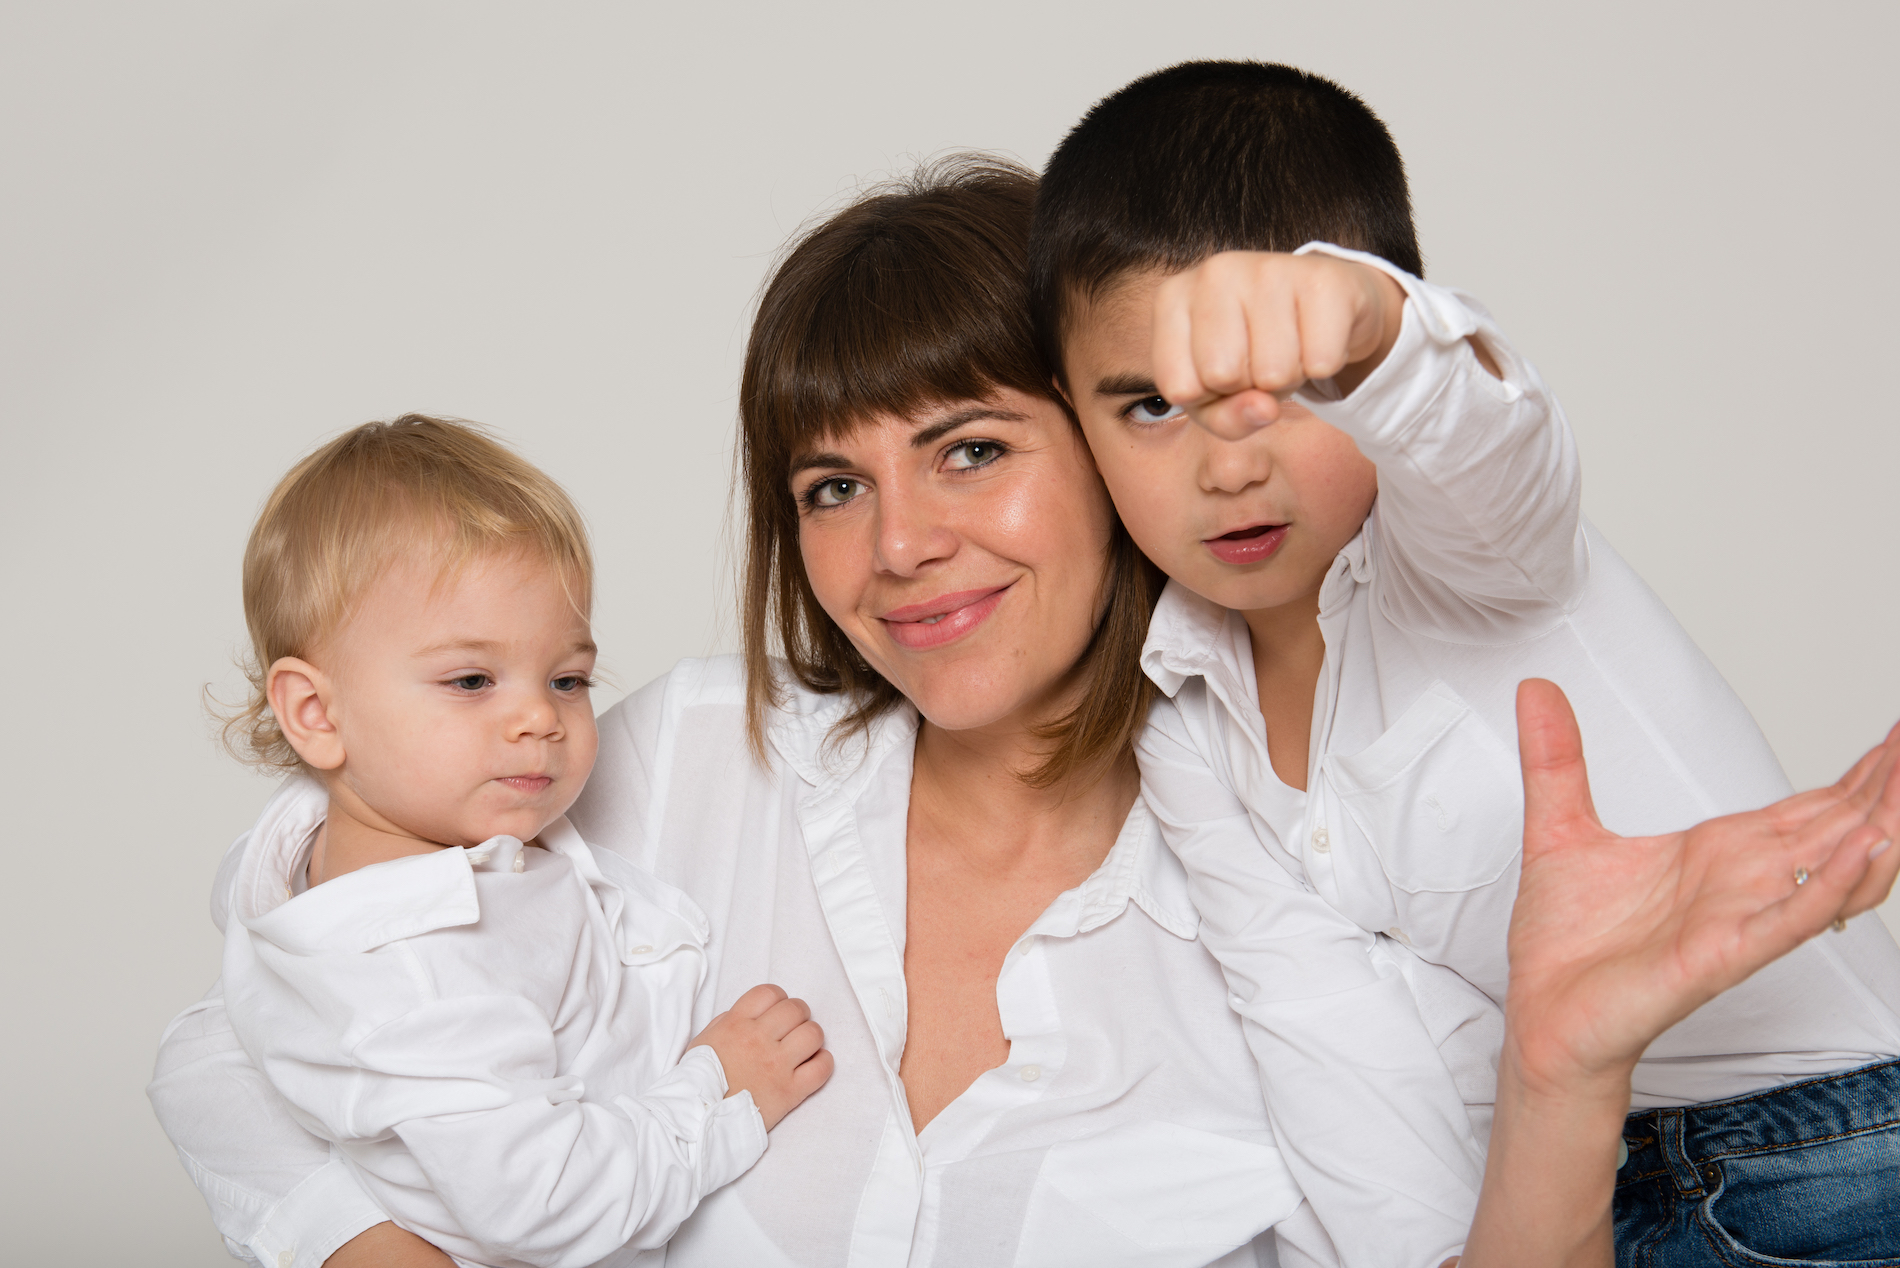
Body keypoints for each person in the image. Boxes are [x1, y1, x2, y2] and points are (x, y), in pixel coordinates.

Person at [148, 158, 1900, 1268]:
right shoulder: (668, 755)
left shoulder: (1299, 874)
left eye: (972, 449)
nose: (899, 544)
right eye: (830, 485)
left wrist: (1562, 1071)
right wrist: (363, 1240)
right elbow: (254, 1028)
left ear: (1123, 447)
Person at [1028, 60, 1900, 1267]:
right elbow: (1320, 1025)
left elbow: (1494, 443)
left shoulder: (1470, 549)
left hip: (1832, 1150)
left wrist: (1376, 336)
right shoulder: (1180, 711)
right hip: (1566, 1197)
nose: (1227, 466)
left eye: (1290, 392)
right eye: (1150, 409)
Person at [208, 416, 831, 1267]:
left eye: (567, 678)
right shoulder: (412, 970)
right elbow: (547, 1204)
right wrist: (721, 1088)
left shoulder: (343, 856)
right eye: (470, 680)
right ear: (317, 714)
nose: (541, 716)